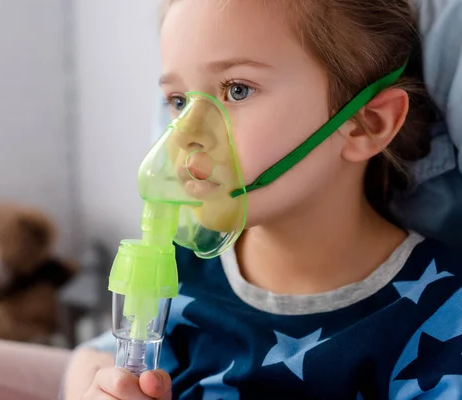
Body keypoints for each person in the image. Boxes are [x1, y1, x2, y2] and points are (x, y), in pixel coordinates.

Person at [64, 0, 462, 399]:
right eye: (179, 101)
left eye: (237, 90)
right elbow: (95, 359)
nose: (185, 134)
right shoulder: (182, 267)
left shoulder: (440, 312)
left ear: (364, 124)